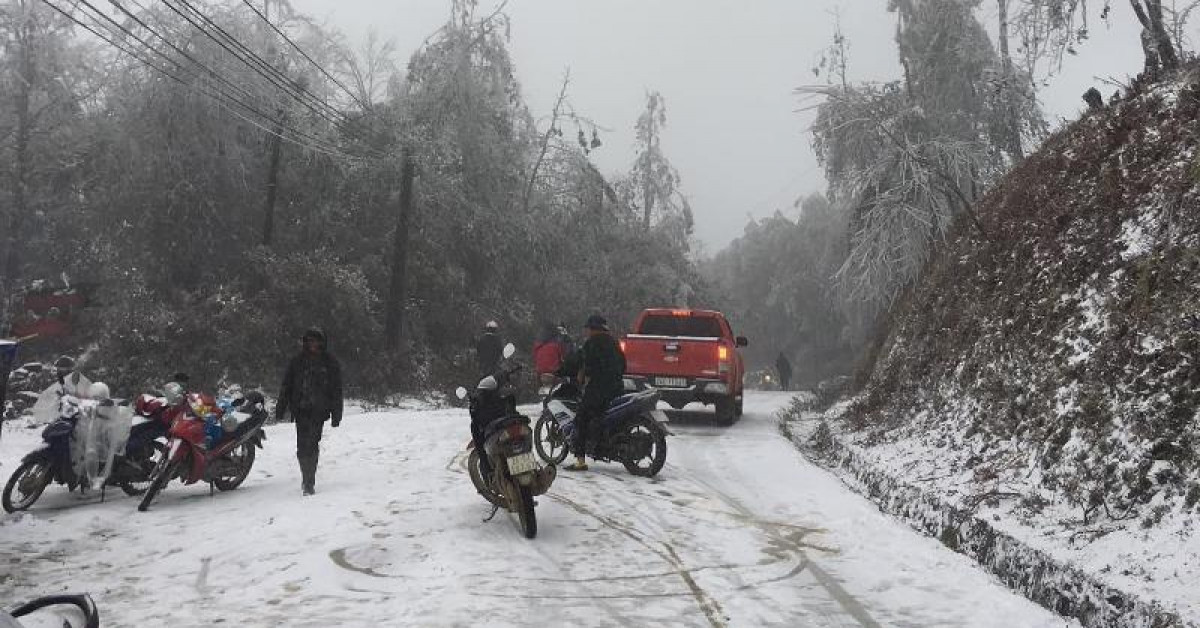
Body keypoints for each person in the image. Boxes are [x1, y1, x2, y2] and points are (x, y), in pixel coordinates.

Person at [276, 328, 344, 496]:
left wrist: (337, 414)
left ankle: (309, 482)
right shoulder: (297, 361)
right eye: (310, 341)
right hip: (300, 409)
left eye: (316, 341)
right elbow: (287, 385)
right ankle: (305, 475)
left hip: (319, 411)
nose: (313, 344)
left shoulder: (329, 362)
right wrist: (281, 407)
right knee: (301, 447)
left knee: (312, 444)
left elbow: (336, 389)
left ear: (322, 342)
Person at [559, 314, 626, 472]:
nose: (586, 332)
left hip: (598, 389)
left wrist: (559, 371)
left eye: (588, 328)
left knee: (581, 418)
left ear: (593, 329)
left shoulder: (592, 344)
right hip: (617, 388)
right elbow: (623, 365)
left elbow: (577, 362)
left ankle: (580, 461)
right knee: (599, 415)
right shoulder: (614, 342)